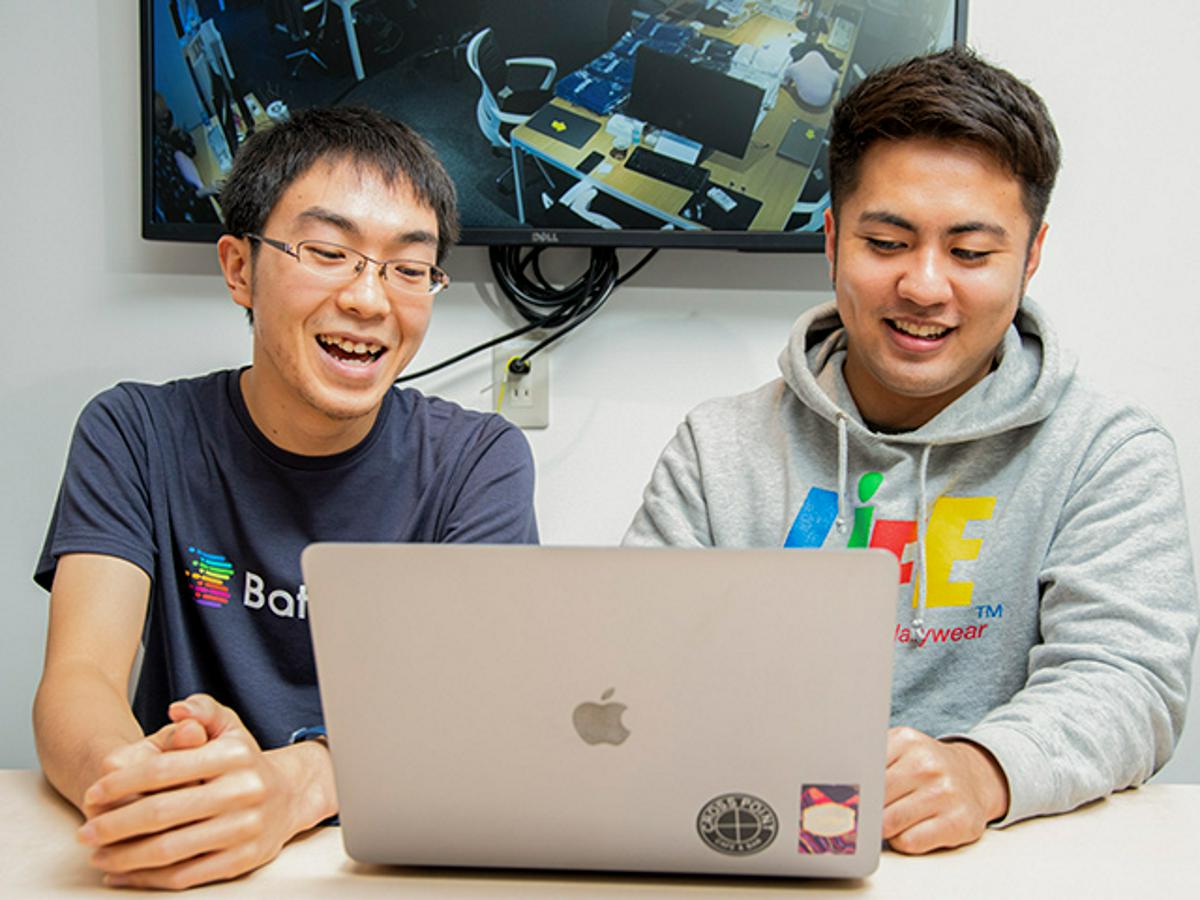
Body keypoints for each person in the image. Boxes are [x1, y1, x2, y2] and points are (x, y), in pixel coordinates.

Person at [624, 47, 1198, 854]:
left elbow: (1128, 683)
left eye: (970, 253)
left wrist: (981, 772)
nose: (925, 287)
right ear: (832, 241)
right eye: (888, 242)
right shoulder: (717, 448)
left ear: (1031, 257)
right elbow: (641, 670)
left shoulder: (1106, 452)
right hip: (757, 841)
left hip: (999, 857)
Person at [33, 106, 538, 889]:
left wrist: (298, 784)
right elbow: (79, 677)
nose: (370, 299)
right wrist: (144, 787)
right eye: (329, 252)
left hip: (385, 861)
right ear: (239, 268)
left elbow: (473, 710)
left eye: (409, 268)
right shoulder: (136, 432)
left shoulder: (477, 461)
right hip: (192, 860)